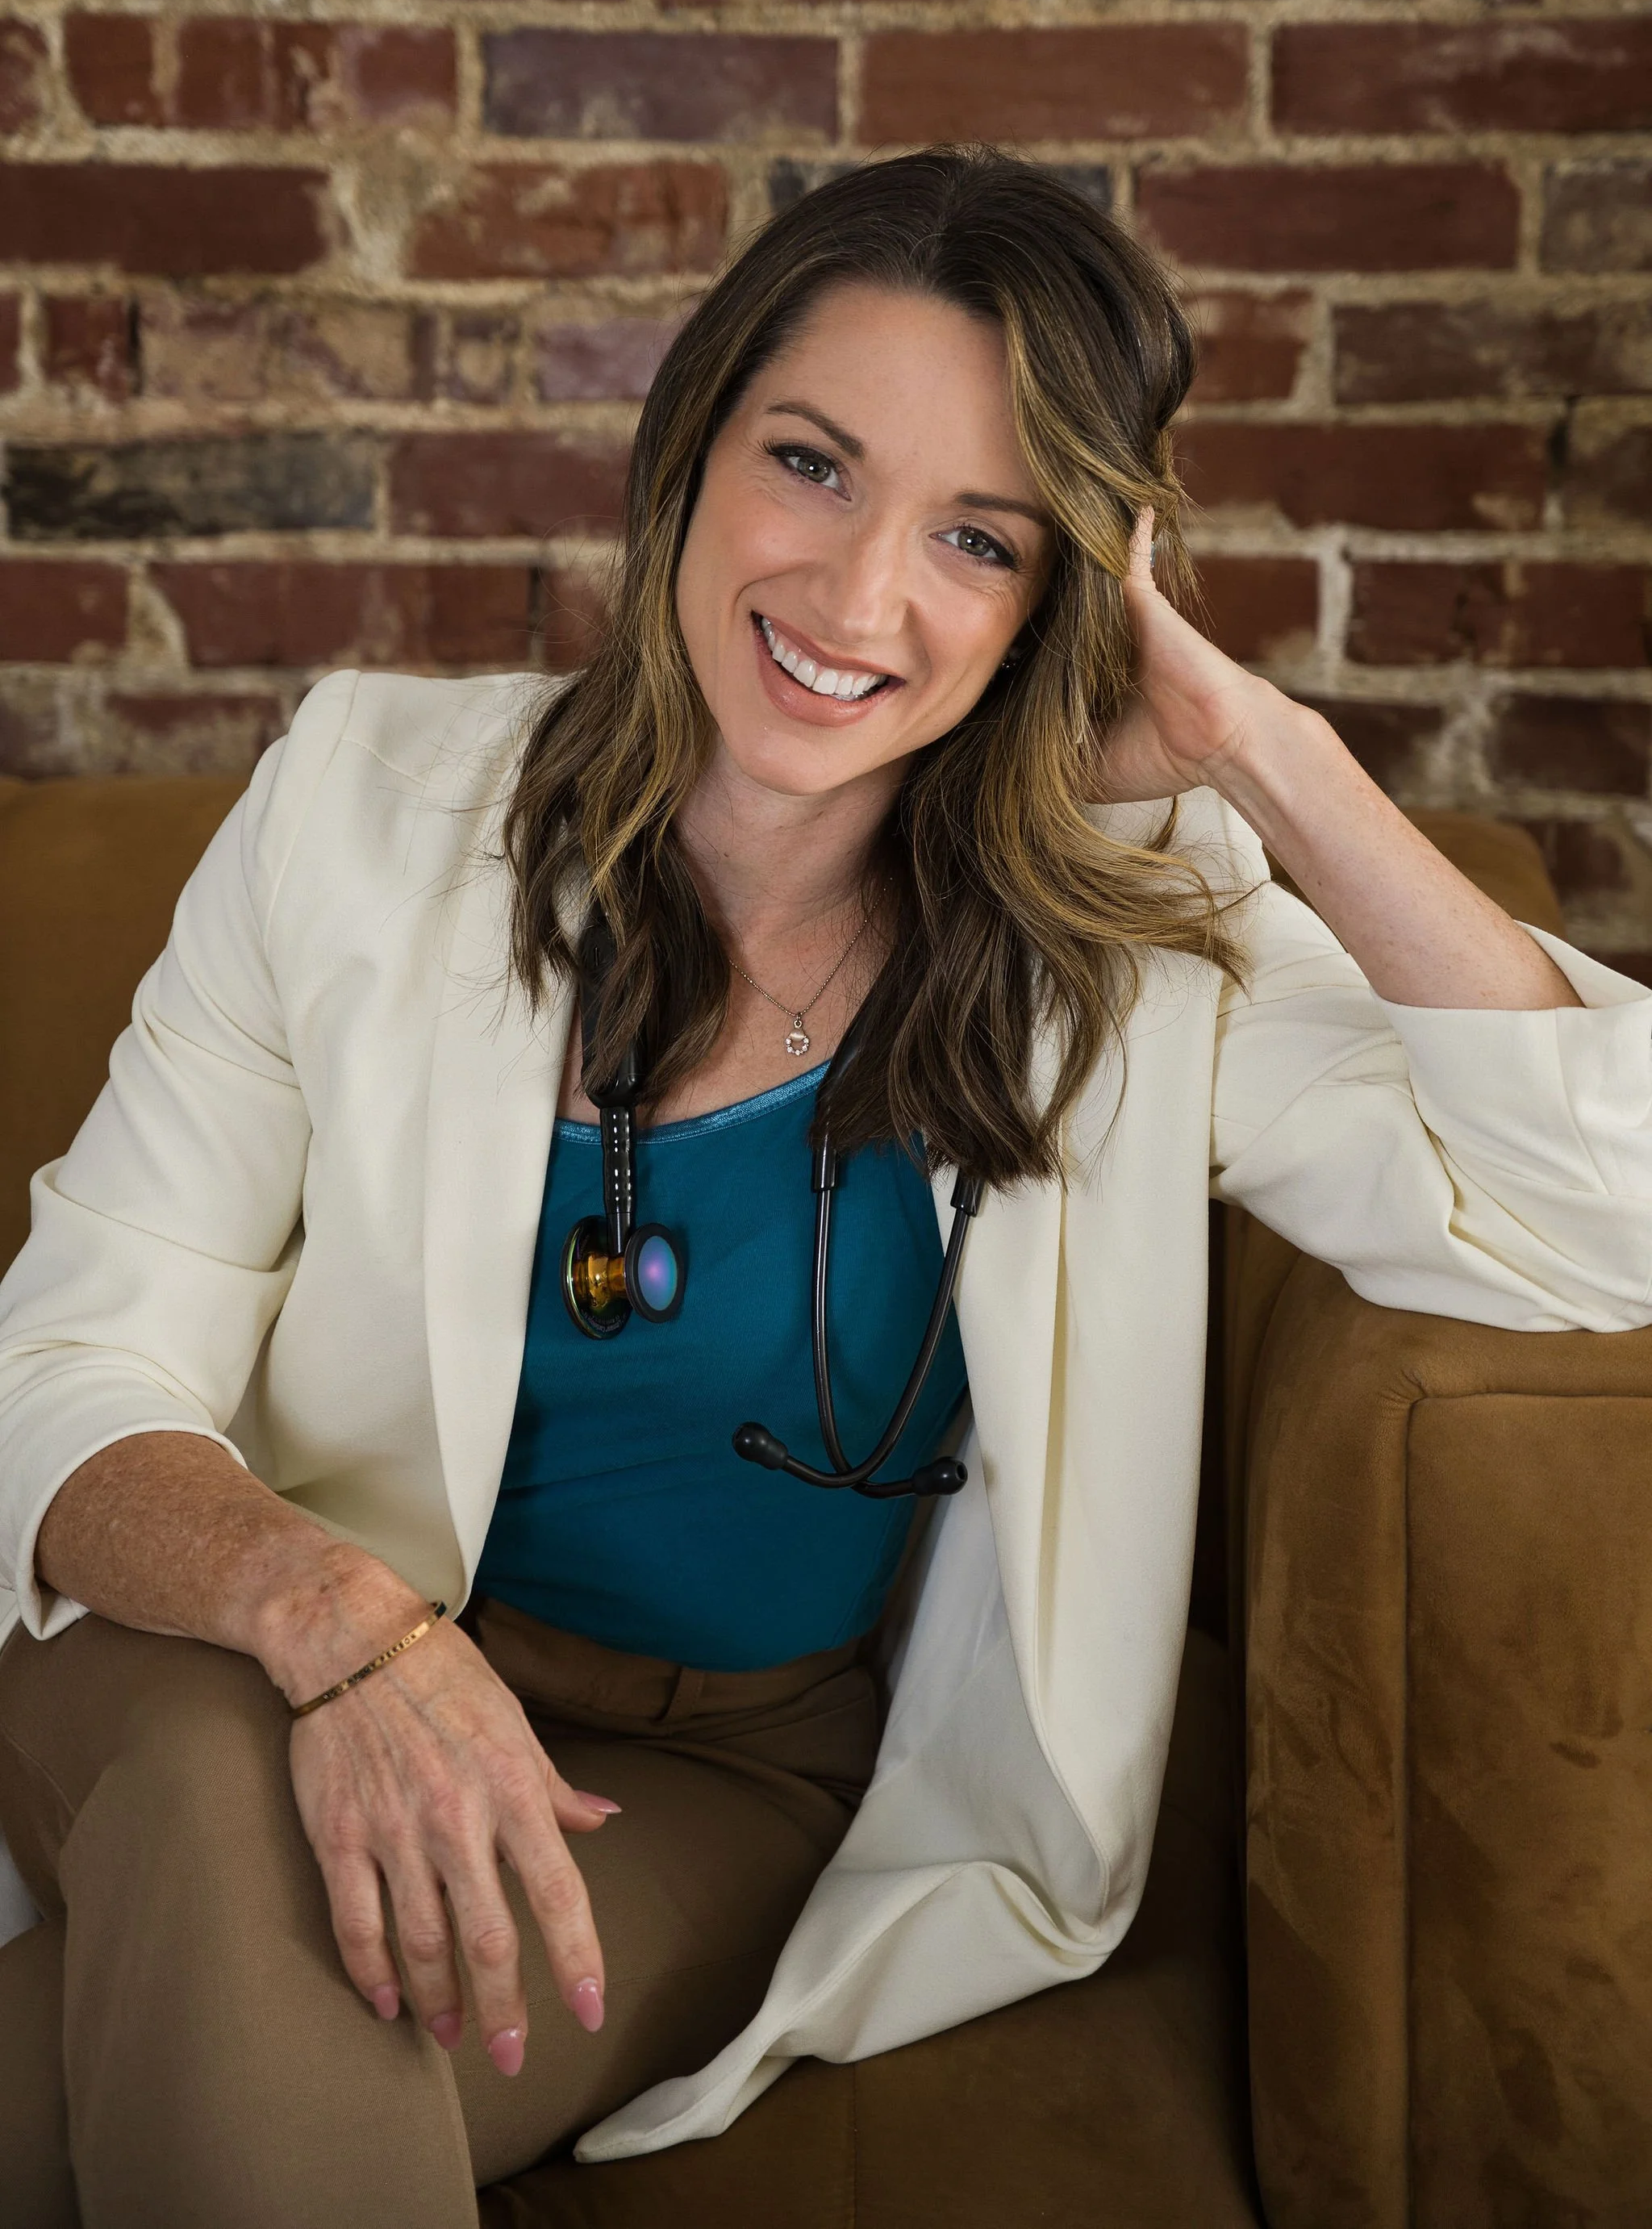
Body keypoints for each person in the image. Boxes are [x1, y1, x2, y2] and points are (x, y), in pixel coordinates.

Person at [1, 146, 1648, 2229]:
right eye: (811, 463)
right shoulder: (356, 803)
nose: (863, 599)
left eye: (981, 536)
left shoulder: (1127, 942)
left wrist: (1271, 758)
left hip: (713, 1775)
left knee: (194, 2038)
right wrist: (337, 1625)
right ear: (692, 449)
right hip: (222, 1632)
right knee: (223, 1793)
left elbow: (1618, 1214)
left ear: (1073, 594)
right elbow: (72, 1347)